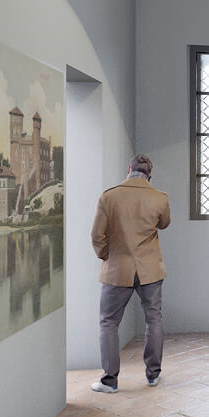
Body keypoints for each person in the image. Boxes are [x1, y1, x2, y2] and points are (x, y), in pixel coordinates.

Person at [90, 153, 170, 393]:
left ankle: (110, 381)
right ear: (150, 174)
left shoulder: (109, 196)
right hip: (150, 269)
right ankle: (153, 375)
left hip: (117, 269)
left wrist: (106, 256)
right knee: (153, 318)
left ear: (128, 169)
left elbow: (97, 235)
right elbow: (164, 223)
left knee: (108, 323)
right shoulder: (160, 197)